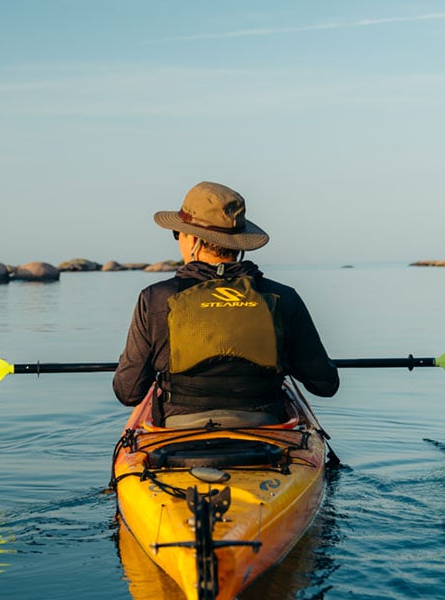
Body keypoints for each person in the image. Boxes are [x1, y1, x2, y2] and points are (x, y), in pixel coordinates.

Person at [113, 181, 339, 428]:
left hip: (178, 430)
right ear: (239, 243)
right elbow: (325, 385)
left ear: (192, 239)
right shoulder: (283, 297)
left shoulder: (155, 298)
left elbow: (129, 392)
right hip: (265, 426)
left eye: (177, 233)